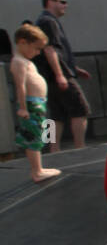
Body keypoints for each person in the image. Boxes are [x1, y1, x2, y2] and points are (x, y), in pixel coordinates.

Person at [32, 0, 92, 151]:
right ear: (50, 2)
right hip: (57, 75)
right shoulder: (48, 21)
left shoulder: (43, 21)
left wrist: (74, 68)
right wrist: (60, 75)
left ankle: (53, 149)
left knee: (56, 115)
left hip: (48, 76)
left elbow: (56, 52)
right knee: (80, 109)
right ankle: (80, 148)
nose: (66, 5)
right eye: (62, 1)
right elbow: (50, 49)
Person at [9, 23, 61, 182]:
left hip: (37, 103)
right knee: (33, 138)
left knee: (39, 135)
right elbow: (20, 86)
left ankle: (39, 168)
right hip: (30, 104)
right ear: (23, 42)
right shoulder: (18, 61)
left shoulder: (25, 60)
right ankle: (37, 171)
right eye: (36, 48)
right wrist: (23, 108)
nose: (38, 53)